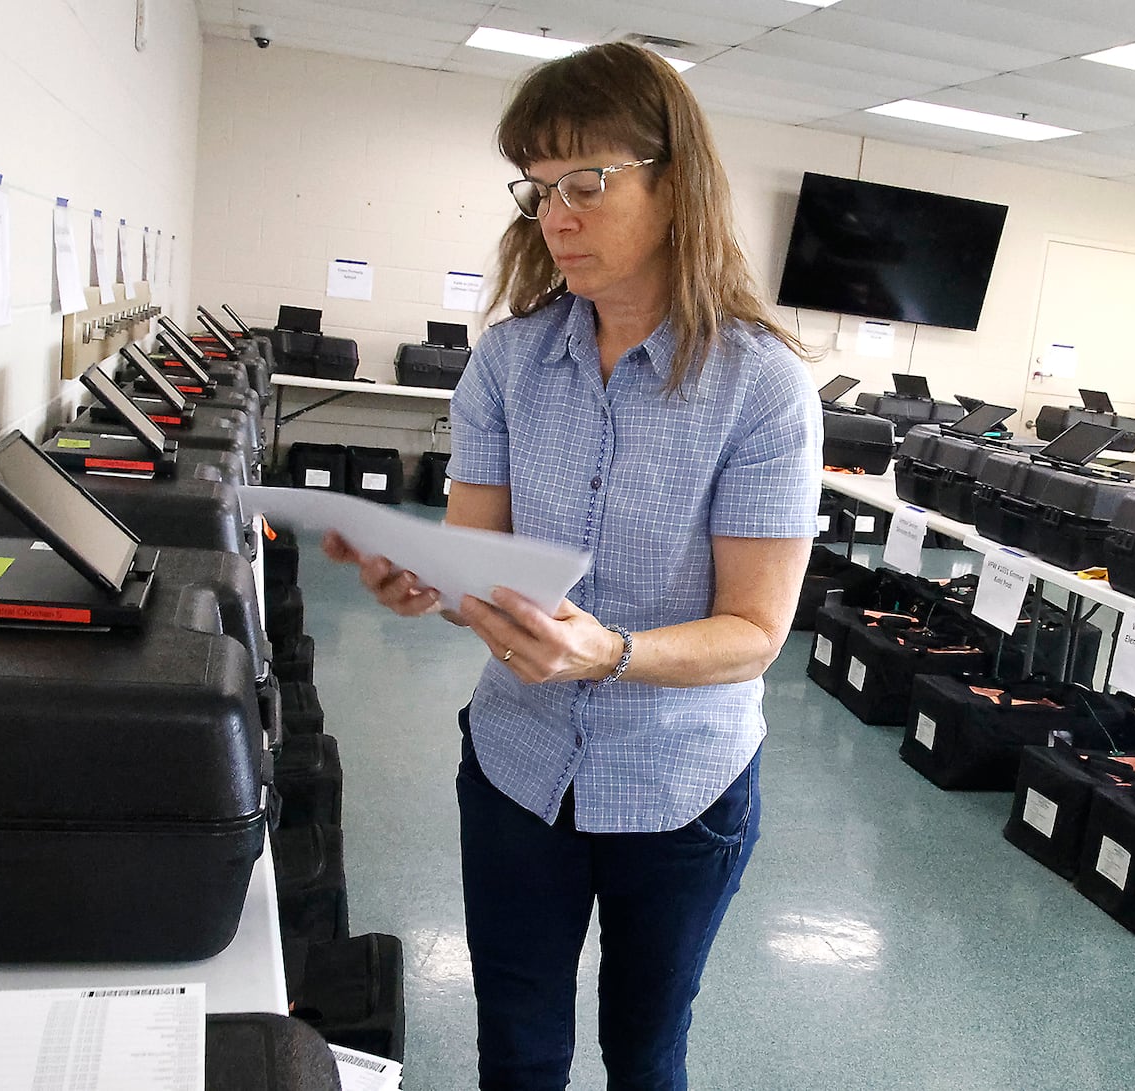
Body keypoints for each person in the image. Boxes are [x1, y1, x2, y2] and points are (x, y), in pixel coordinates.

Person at [324, 41, 822, 1091]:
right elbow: (479, 564)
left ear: (674, 184)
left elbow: (752, 633)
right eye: (538, 188)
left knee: (645, 1052)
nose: (556, 216)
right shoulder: (509, 362)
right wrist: (428, 582)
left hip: (683, 784)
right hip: (518, 767)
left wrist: (609, 651)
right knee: (518, 1045)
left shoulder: (762, 388)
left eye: (586, 183)